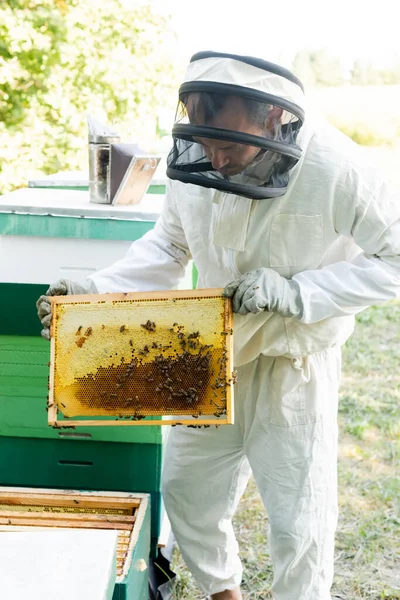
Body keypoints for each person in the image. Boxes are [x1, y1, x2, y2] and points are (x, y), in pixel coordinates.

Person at [37, 51, 400, 600]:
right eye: (207, 145)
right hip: (207, 355)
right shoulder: (202, 158)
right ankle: (223, 594)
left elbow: (394, 258)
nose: (217, 160)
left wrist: (297, 293)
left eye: (229, 147)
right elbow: (169, 245)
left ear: (274, 122)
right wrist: (94, 291)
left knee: (298, 519)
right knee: (187, 492)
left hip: (293, 364)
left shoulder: (339, 167)